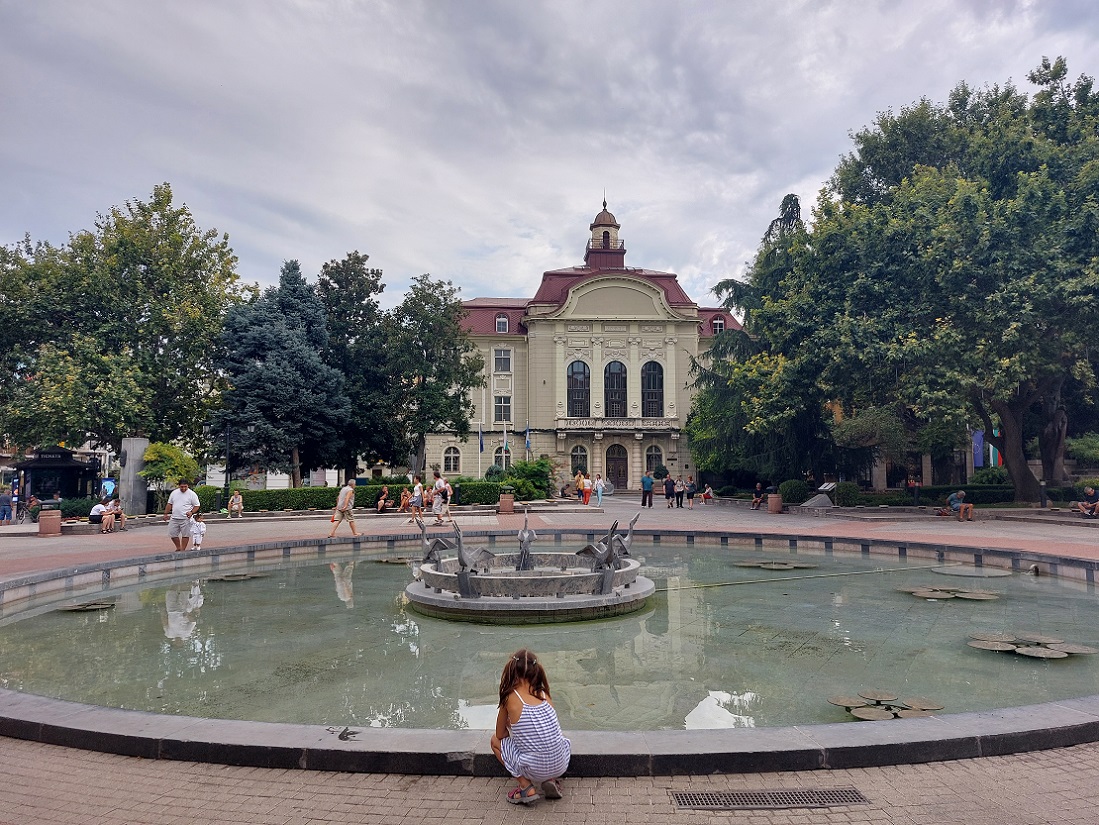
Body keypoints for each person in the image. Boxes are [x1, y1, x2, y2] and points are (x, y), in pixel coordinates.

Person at [490, 649, 570, 806]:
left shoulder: (510, 697)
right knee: (547, 737)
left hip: (534, 769)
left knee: (494, 741)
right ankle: (550, 779)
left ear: (511, 669)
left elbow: (500, 735)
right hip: (560, 763)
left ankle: (526, 787)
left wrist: (509, 726)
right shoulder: (543, 693)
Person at [164, 479, 201, 551]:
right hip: (174, 517)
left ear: (188, 486)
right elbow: (169, 504)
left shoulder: (192, 494)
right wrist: (166, 513)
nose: (183, 488)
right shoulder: (174, 493)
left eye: (185, 487)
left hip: (185, 518)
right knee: (172, 534)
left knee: (185, 534)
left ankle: (182, 549)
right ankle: (178, 547)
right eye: (182, 487)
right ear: (179, 486)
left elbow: (197, 505)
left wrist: (191, 512)